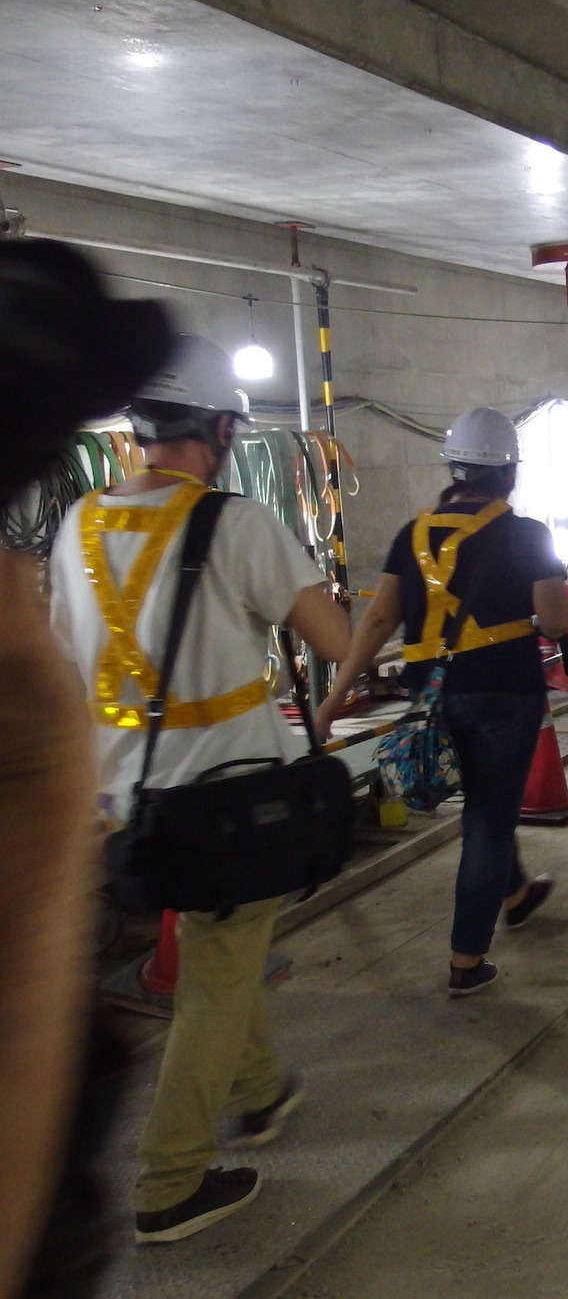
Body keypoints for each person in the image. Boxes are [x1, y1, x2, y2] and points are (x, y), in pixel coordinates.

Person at [47, 334, 352, 1245]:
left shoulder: (79, 525)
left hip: (122, 805)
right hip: (226, 803)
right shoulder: (236, 522)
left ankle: (262, 1093)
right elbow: (334, 640)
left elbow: (67, 664)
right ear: (220, 429)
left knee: (221, 956)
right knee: (220, 975)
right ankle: (171, 1178)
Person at [0, 240, 171, 1292]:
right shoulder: (21, 714)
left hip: (132, 769)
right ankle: (183, 1162)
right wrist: (44, 782)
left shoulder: (77, 525)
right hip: (206, 771)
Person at [316, 407, 568, 998]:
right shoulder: (527, 532)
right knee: (487, 815)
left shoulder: (413, 533)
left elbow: (380, 617)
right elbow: (557, 623)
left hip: (431, 694)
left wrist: (334, 696)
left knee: (490, 801)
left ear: (453, 466)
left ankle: (517, 892)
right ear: (509, 472)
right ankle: (466, 958)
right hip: (503, 692)